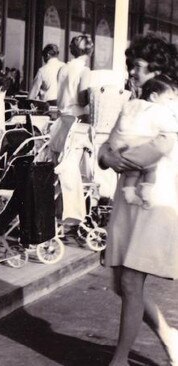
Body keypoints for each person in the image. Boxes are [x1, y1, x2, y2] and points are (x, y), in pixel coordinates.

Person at [99, 33, 178, 366]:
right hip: (127, 202)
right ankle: (169, 335)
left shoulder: (168, 103)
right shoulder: (132, 103)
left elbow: (162, 147)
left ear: (157, 69)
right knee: (121, 284)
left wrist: (122, 159)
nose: (132, 72)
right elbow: (105, 147)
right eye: (130, 66)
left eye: (139, 67)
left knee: (131, 281)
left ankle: (119, 360)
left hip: (154, 201)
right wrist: (108, 157)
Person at [109, 75, 178, 208]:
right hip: (144, 150)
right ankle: (146, 192)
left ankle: (129, 193)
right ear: (153, 97)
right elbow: (170, 131)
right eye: (168, 99)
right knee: (150, 169)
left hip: (123, 149)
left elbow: (115, 135)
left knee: (132, 172)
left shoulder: (131, 105)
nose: (170, 101)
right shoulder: (158, 110)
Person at [57, 35, 93, 119]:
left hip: (61, 116)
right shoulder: (84, 70)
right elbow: (82, 101)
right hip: (76, 117)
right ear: (90, 51)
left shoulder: (63, 68)